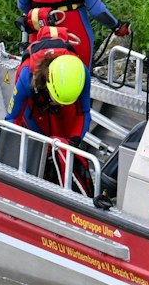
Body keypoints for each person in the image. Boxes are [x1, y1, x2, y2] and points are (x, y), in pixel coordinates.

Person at [7, 36, 92, 187]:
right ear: (48, 81)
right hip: (34, 108)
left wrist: (73, 141)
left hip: (66, 113)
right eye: (56, 99)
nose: (58, 104)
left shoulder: (82, 74)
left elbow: (83, 113)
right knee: (37, 144)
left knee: (63, 146)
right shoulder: (27, 76)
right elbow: (12, 118)